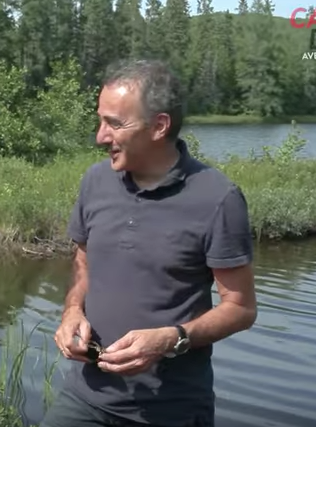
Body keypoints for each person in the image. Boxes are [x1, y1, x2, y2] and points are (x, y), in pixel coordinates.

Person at [41, 59, 257, 428]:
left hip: (170, 410)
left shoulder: (218, 197)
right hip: (84, 398)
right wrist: (72, 311)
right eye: (100, 120)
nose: (100, 136)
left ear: (159, 126)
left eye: (114, 123)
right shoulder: (95, 181)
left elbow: (240, 308)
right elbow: (83, 264)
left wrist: (172, 339)